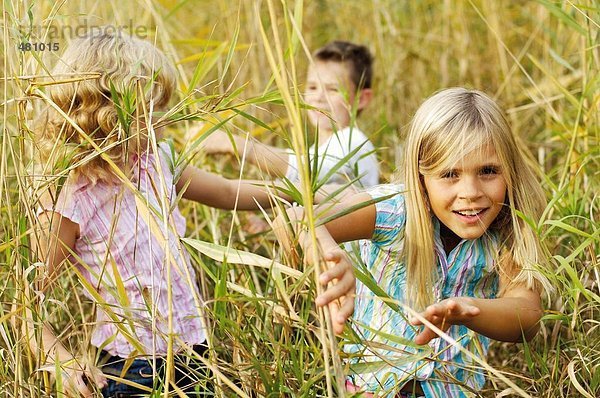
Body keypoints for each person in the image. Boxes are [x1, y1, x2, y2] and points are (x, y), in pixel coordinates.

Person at [27, 29, 299, 398]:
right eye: (150, 107)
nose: (163, 117)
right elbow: (29, 303)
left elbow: (227, 191)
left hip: (195, 353)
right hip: (132, 369)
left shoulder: (157, 160)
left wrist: (291, 195)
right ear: (107, 111)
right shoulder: (70, 198)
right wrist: (60, 360)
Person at [274, 88, 551, 397]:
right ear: (421, 175)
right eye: (449, 174)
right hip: (374, 390)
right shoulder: (394, 211)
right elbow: (299, 218)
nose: (471, 191)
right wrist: (326, 253)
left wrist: (469, 309)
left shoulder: (507, 227)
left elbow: (526, 316)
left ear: (509, 170)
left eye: (488, 171)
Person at [202, 40, 380, 189]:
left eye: (333, 89)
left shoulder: (354, 141)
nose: (318, 97)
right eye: (312, 87)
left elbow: (305, 170)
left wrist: (235, 144)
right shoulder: (316, 151)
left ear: (362, 98)